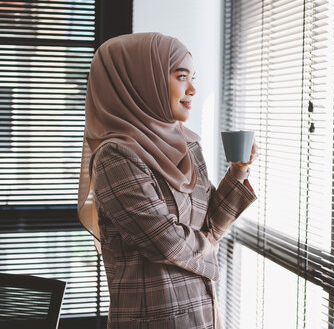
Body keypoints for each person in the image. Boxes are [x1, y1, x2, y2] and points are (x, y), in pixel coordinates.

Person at [77, 32, 257, 329]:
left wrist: (239, 169)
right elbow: (165, 243)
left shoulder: (188, 146)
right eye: (181, 76)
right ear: (141, 81)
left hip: (205, 315)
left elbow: (210, 224)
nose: (193, 90)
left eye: (192, 77)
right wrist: (209, 245)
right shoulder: (115, 157)